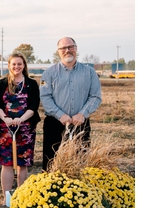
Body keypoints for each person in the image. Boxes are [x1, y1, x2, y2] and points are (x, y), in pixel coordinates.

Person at [40, 37, 102, 171]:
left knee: (80, 162)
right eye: (63, 48)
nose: (67, 50)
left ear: (76, 48)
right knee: (51, 162)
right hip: (55, 123)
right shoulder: (48, 73)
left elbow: (95, 97)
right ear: (58, 51)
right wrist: (60, 115)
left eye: (70, 47)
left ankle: (78, 191)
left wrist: (82, 114)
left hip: (80, 123)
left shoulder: (89, 72)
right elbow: (45, 97)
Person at [0, 53, 41, 196]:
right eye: (14, 64)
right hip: (5, 129)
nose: (16, 67)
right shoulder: (2, 83)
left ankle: (22, 197)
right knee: (7, 163)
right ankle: (6, 198)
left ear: (24, 65)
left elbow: (33, 105)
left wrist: (22, 118)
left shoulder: (31, 84)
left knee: (22, 164)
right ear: (9, 66)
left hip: (26, 129)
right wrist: (5, 118)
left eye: (19, 64)